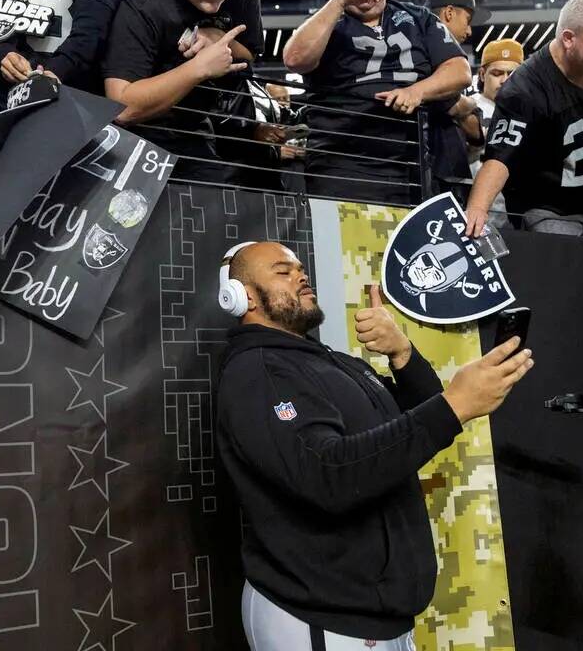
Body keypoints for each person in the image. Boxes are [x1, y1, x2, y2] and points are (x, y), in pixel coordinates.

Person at [215, 241, 533, 650]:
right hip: (319, 618)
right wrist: (455, 404)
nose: (301, 274)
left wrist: (402, 352)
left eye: (299, 268)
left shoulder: (331, 362)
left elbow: (416, 420)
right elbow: (328, 475)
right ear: (242, 298)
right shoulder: (258, 374)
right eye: (281, 271)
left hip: (380, 618)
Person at [282, 0, 471, 206]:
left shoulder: (418, 18)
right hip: (341, 168)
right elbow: (295, 59)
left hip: (410, 169)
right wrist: (339, 2)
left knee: (407, 248)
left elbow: (459, 70)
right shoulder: (327, 22)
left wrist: (416, 91)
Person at [464, 0, 583, 238]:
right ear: (568, 38)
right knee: (565, 271)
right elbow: (500, 158)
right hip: (550, 206)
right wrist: (477, 209)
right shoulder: (525, 89)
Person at [103, 0, 270, 184]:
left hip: (196, 125)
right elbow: (122, 107)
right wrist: (198, 68)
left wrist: (218, 38)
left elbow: (249, 51)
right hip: (135, 133)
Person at [423, 0, 491, 200]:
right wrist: (468, 104)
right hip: (429, 174)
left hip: (453, 174)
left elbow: (477, 134)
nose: (469, 31)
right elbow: (451, 105)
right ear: (449, 13)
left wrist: (465, 105)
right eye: (467, 20)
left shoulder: (453, 60)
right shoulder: (418, 53)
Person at [469, 38, 523, 229]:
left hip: (518, 211)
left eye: (512, 73)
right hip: (476, 208)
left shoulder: (530, 111)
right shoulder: (469, 108)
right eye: (497, 73)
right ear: (482, 74)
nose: (505, 80)